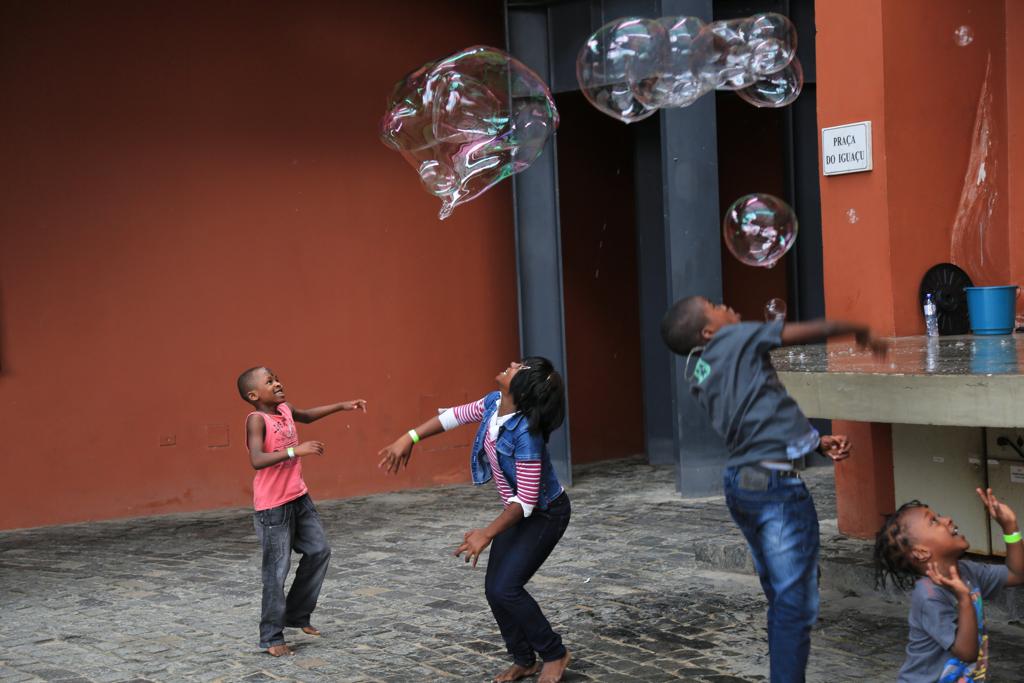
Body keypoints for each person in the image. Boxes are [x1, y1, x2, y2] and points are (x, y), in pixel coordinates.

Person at [660, 296, 888, 683]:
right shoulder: (736, 338)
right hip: (775, 490)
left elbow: (756, 409)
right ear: (709, 331)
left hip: (742, 483)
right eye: (715, 305)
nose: (727, 305)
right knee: (794, 606)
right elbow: (807, 332)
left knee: (781, 593)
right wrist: (859, 329)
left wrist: (813, 443)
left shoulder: (696, 369)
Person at [378, 357, 572, 683]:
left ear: (523, 390)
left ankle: (554, 653)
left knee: (507, 588)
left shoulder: (527, 435)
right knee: (495, 590)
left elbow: (526, 501)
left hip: (545, 514)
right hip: (517, 512)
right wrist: (407, 438)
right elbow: (452, 417)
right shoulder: (493, 403)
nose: (512, 363)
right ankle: (524, 660)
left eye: (519, 368)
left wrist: (486, 533)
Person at [236, 366, 366, 657]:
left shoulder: (284, 409)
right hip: (273, 508)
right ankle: (271, 636)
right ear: (253, 394)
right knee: (276, 572)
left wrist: (343, 406)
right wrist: (297, 451)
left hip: (299, 498)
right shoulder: (257, 420)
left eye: (277, 377)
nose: (278, 383)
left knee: (319, 550)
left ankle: (296, 615)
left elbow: (306, 415)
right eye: (270, 381)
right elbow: (257, 459)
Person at [874, 488, 1024, 682]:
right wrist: (964, 599)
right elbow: (967, 653)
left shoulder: (968, 572)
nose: (947, 519)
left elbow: (1017, 574)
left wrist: (1010, 527)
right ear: (921, 552)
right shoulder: (929, 596)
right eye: (934, 521)